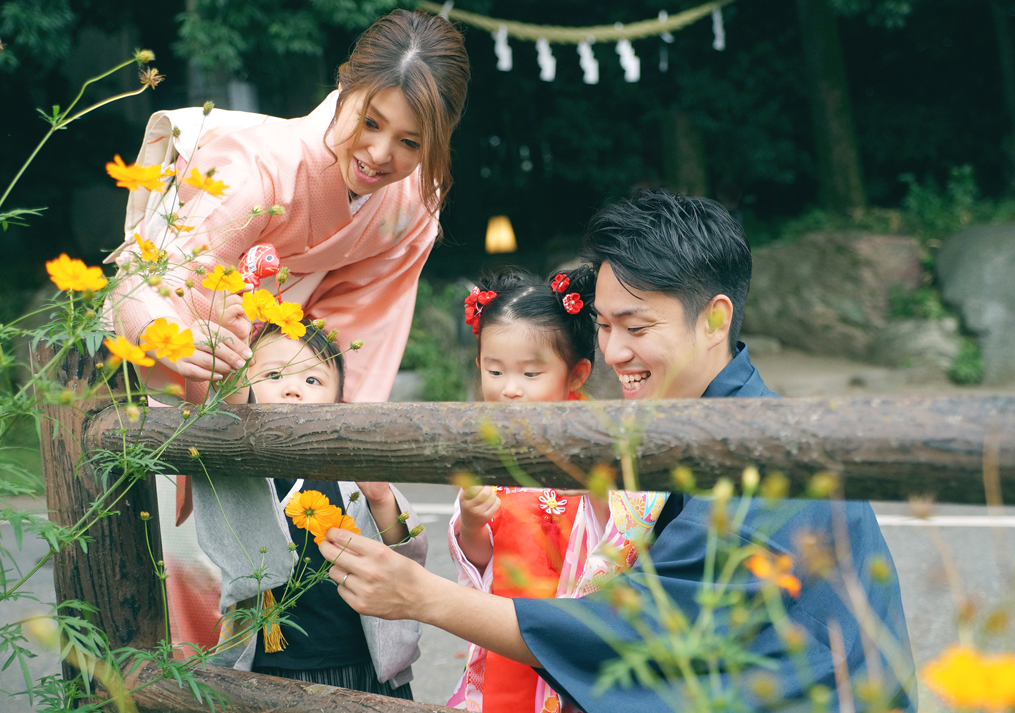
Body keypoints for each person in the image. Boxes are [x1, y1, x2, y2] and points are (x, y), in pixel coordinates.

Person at [319, 191, 916, 712]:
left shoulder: (757, 462)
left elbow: (628, 634)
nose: (614, 352)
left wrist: (424, 597)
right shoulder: (709, 422)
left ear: (714, 320)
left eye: (636, 327)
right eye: (604, 326)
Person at [108, 8, 469, 648]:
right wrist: (178, 339)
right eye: (370, 122)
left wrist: (330, 428)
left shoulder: (413, 204)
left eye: (412, 143)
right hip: (189, 359)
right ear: (345, 87)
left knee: (298, 594)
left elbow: (363, 325)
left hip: (286, 378)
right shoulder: (259, 165)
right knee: (188, 596)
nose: (381, 155)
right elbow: (147, 274)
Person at [447, 268, 669, 711]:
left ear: (576, 374)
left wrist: (599, 491)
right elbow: (479, 560)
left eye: (531, 373)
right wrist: (472, 521)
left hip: (576, 626)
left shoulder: (602, 440)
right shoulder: (484, 446)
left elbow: (627, 532)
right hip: (507, 623)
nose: (509, 390)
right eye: (494, 370)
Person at [190, 316, 427, 696]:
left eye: (312, 380)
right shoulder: (246, 468)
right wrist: (232, 348)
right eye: (274, 375)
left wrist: (381, 499)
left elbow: (405, 546)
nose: (292, 390)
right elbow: (231, 408)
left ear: (338, 403)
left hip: (361, 658)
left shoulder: (349, 467)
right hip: (274, 660)